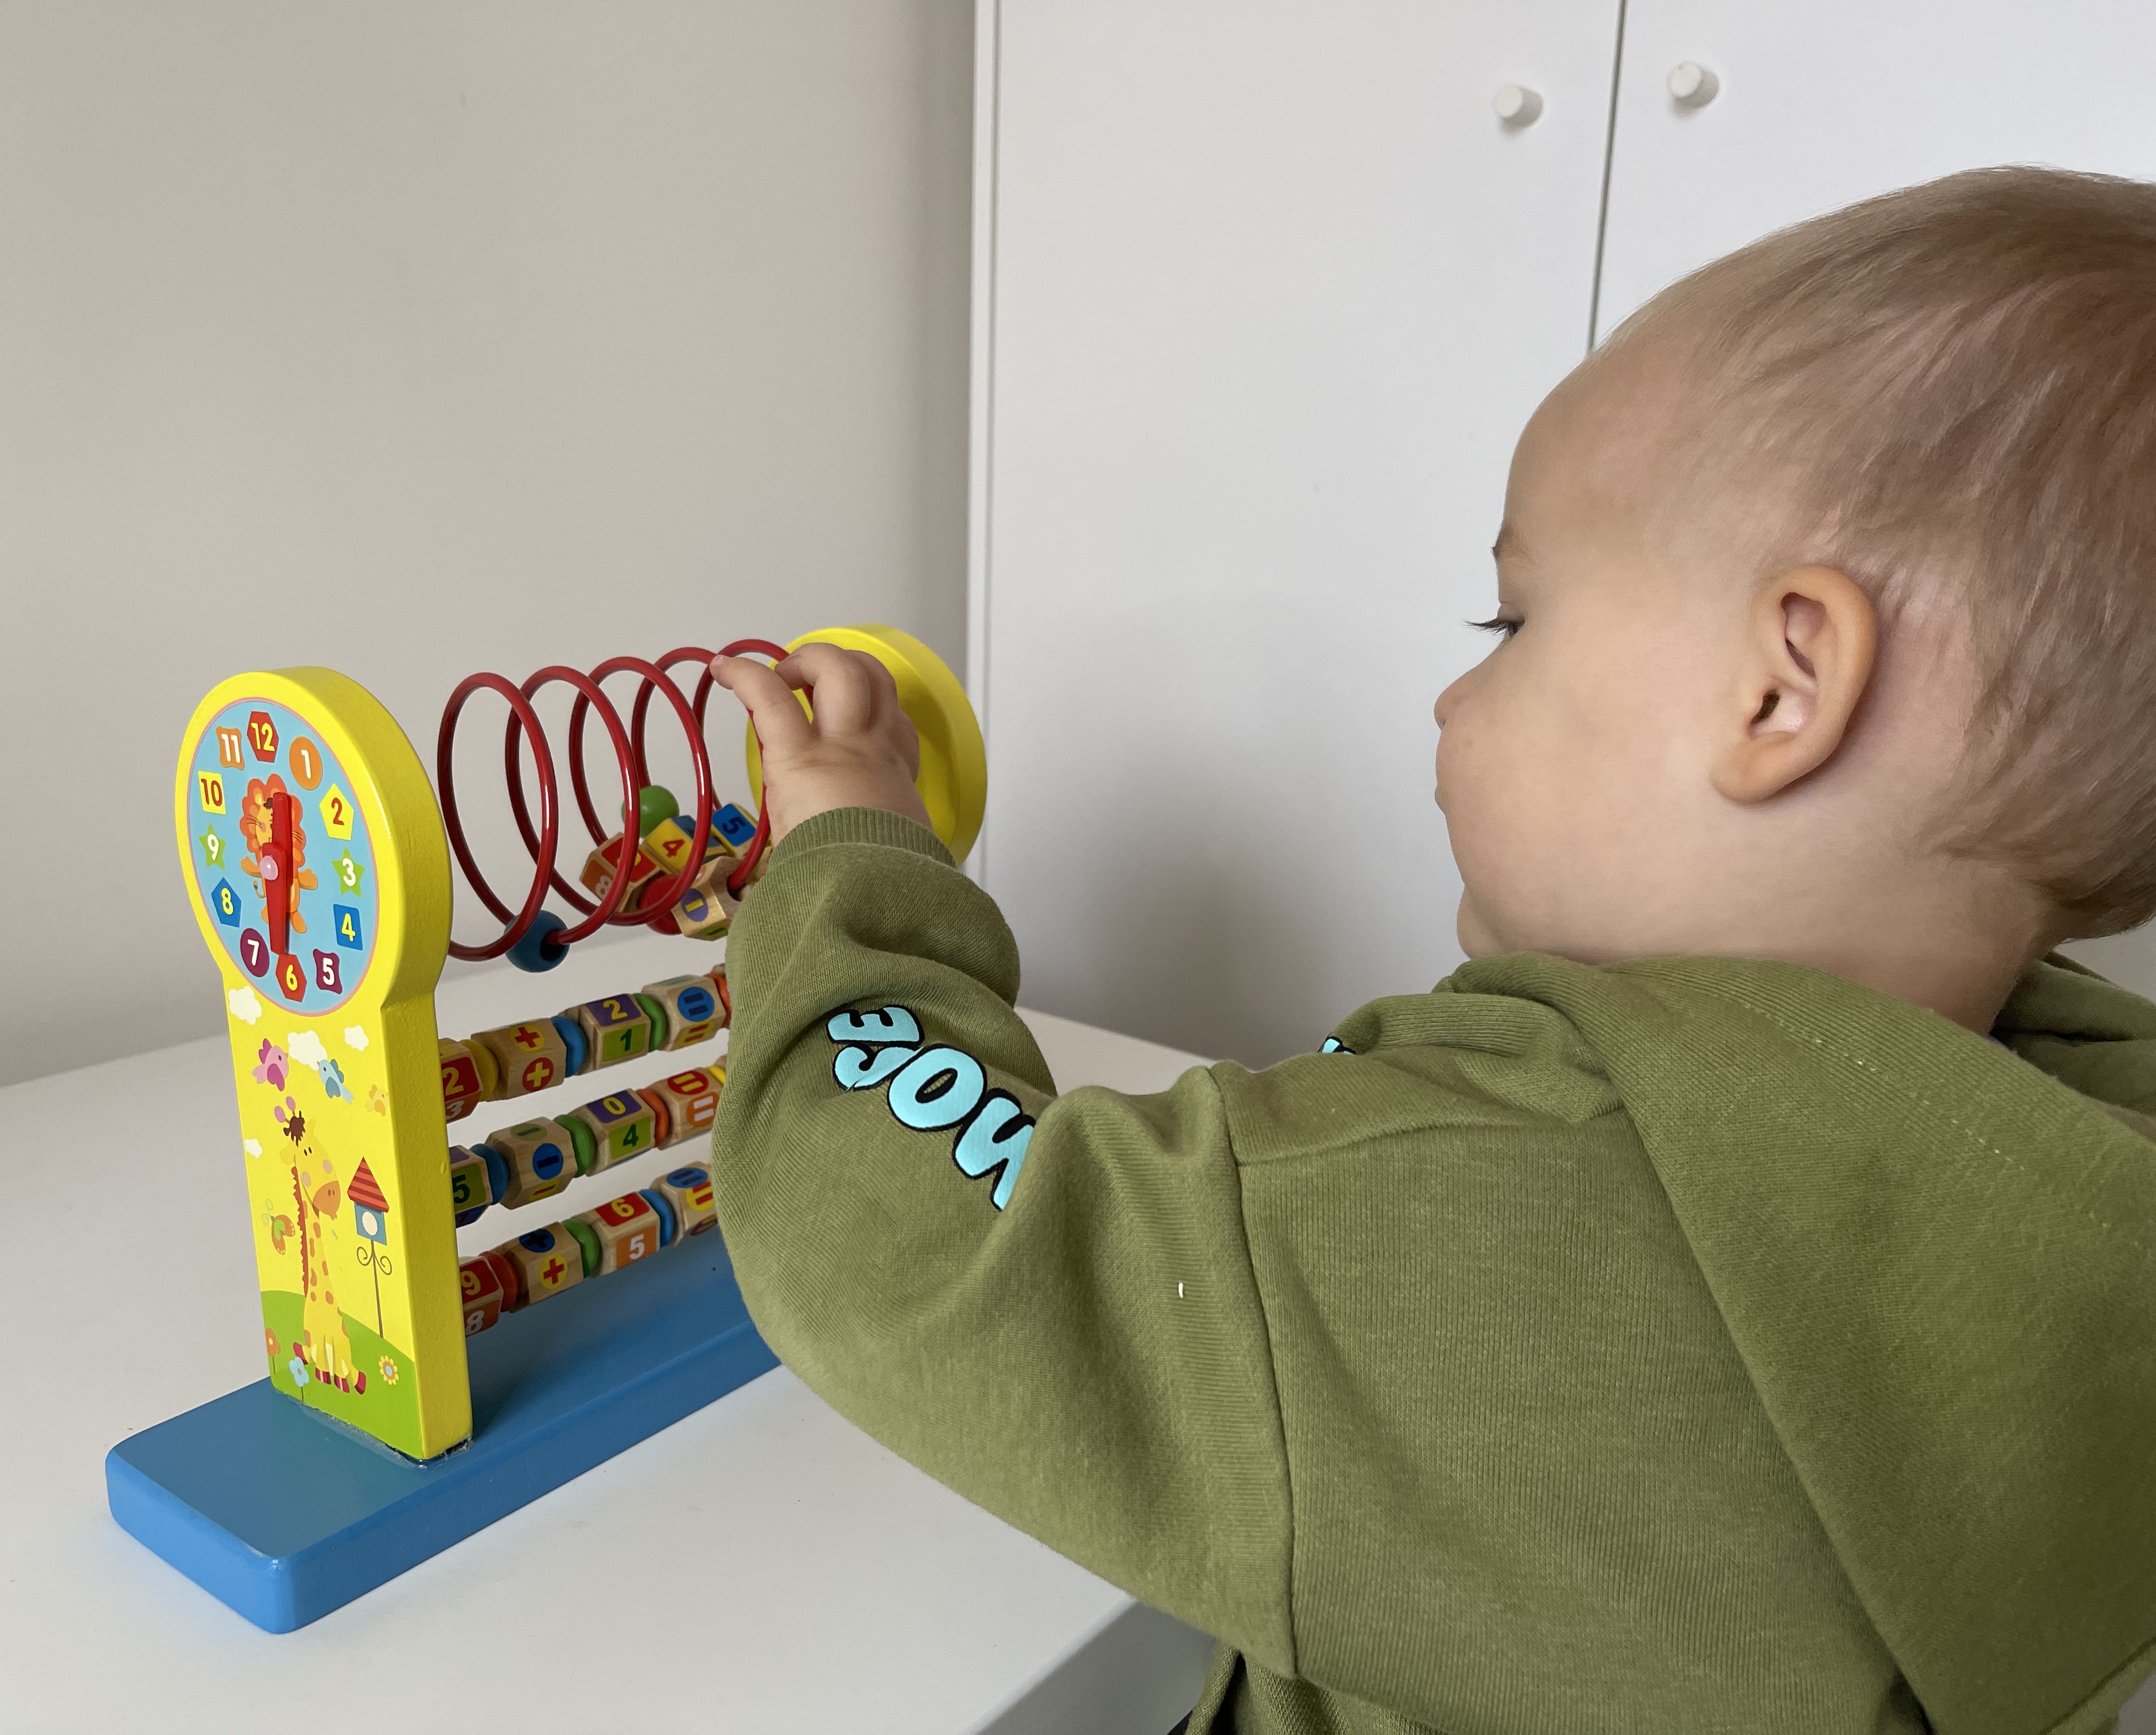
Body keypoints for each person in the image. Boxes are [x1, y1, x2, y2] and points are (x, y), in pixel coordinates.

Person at [706, 166, 2156, 1735]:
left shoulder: (1477, 1212)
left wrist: (849, 860)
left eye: (1512, 626)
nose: (1458, 702)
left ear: (1781, 690)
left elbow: (903, 1247)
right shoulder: (2076, 1194)